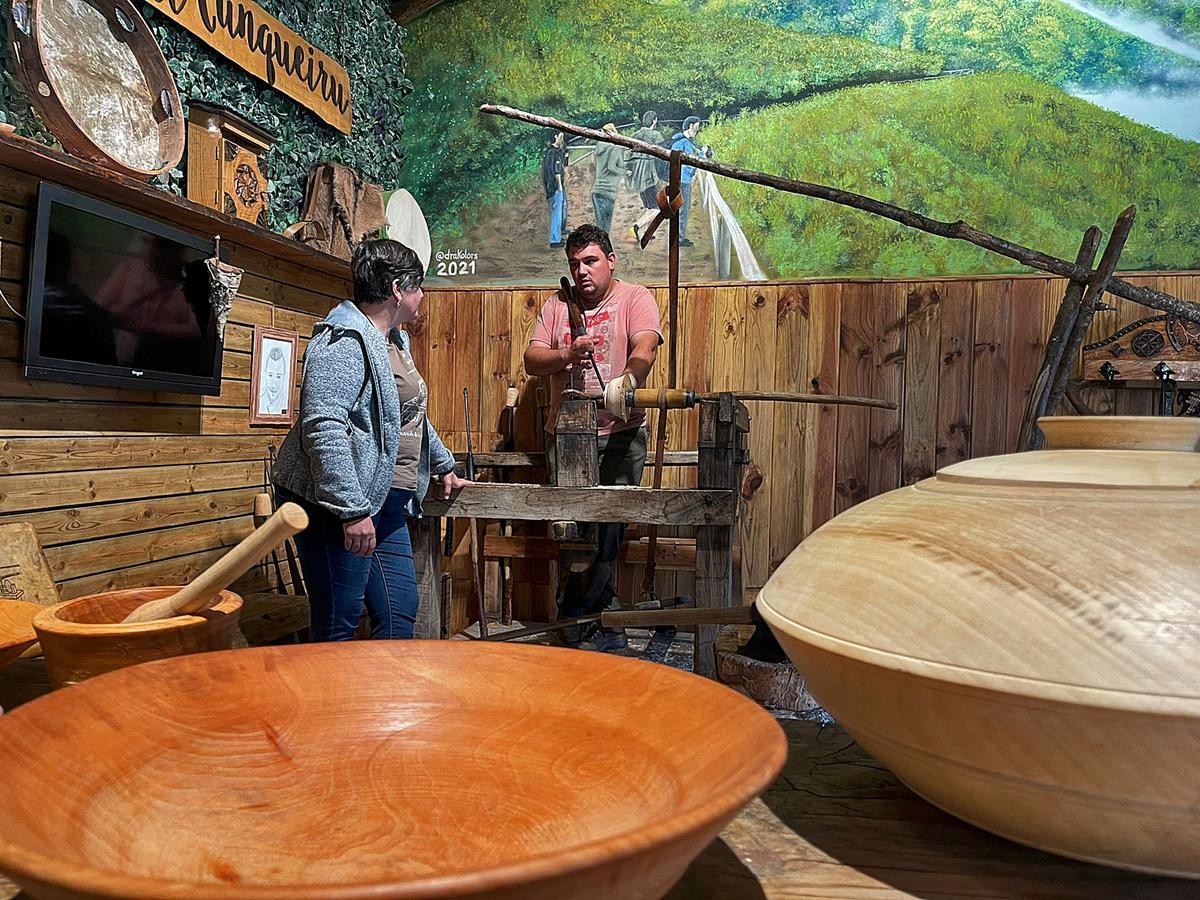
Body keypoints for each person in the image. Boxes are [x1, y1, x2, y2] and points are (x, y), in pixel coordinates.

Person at [272, 239, 468, 642]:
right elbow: (323, 428)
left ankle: (380, 703)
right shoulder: (342, 340)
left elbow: (407, 416)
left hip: (384, 500)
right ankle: (331, 706)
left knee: (400, 610)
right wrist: (350, 510)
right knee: (337, 621)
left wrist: (444, 463)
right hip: (335, 505)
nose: (422, 295)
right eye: (419, 286)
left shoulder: (394, 341)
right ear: (398, 289)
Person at [523, 224, 662, 651]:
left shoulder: (634, 298)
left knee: (610, 530)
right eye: (574, 264)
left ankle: (574, 614)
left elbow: (645, 347)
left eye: (590, 261)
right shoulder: (557, 306)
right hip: (566, 436)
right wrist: (565, 354)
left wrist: (628, 381)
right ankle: (603, 618)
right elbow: (532, 359)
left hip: (621, 432)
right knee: (570, 530)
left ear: (610, 260)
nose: (582, 271)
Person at [626, 110, 664, 244]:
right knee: (657, 208)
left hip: (638, 178)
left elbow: (627, 155)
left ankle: (646, 233)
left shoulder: (635, 135)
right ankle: (636, 227)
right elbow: (662, 156)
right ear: (654, 120)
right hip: (649, 176)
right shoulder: (656, 136)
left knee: (649, 205)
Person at [671, 116, 704, 247]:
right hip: (683, 180)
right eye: (696, 126)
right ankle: (679, 238)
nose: (698, 129)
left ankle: (677, 236)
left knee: (678, 208)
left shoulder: (678, 140)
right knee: (684, 209)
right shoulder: (685, 143)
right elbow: (692, 164)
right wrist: (703, 155)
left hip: (675, 178)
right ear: (690, 126)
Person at [591, 123, 627, 234]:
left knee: (600, 227)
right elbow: (612, 167)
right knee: (605, 229)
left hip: (597, 190)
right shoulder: (615, 146)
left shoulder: (599, 146)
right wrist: (626, 172)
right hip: (608, 190)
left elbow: (593, 163)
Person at [542, 131, 568, 248]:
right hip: (555, 188)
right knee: (556, 213)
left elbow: (564, 165)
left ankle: (557, 236)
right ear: (555, 137)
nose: (562, 139)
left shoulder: (555, 152)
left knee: (558, 212)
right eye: (561, 136)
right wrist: (560, 187)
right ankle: (554, 240)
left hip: (552, 187)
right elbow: (557, 171)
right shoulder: (553, 154)